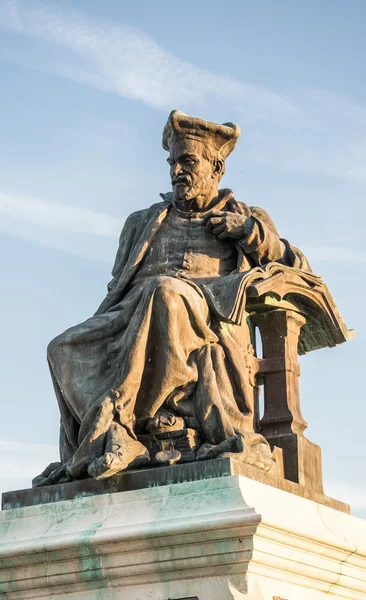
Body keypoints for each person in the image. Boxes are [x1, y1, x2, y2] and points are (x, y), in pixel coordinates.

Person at [37, 110, 310, 487]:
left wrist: (249, 233)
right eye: (172, 162)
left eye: (188, 161)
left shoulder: (245, 216)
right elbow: (117, 287)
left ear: (216, 168)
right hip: (132, 316)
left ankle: (119, 422)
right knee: (61, 347)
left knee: (163, 292)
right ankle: (112, 436)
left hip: (204, 315)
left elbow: (298, 267)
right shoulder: (142, 221)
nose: (177, 170)